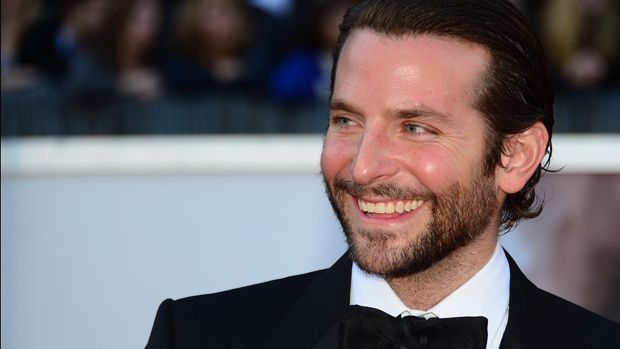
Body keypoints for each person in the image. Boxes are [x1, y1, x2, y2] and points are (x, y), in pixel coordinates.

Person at [145, 0, 620, 348]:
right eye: (346, 121)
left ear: (515, 156)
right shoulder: (195, 336)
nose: (363, 167)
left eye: (415, 128)